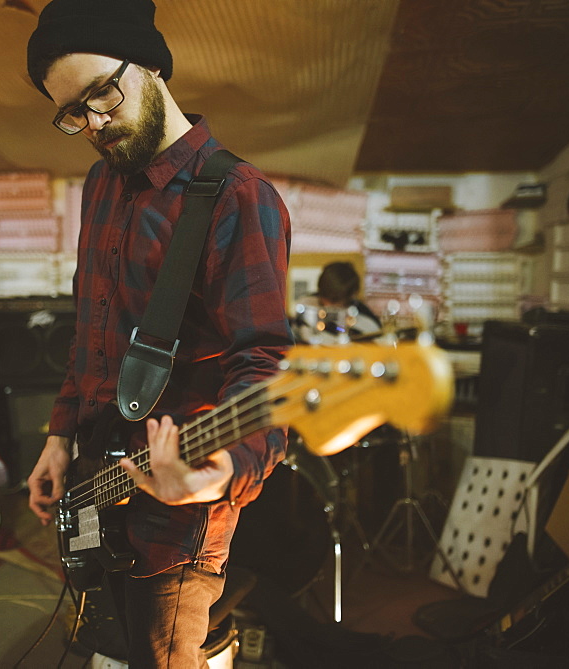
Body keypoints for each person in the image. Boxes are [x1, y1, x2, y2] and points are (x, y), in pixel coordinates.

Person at [23, 1, 294, 666]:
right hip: (96, 477)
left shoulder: (236, 194)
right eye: (71, 113)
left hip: (177, 525)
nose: (92, 123)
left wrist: (223, 468)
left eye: (101, 94)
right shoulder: (99, 183)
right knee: (101, 642)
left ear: (150, 64)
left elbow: (264, 363)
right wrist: (59, 437)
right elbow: (91, 330)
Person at [292, 261, 381, 343]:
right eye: (324, 296)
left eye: (334, 300)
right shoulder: (306, 306)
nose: (328, 306)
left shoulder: (367, 321)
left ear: (351, 296)